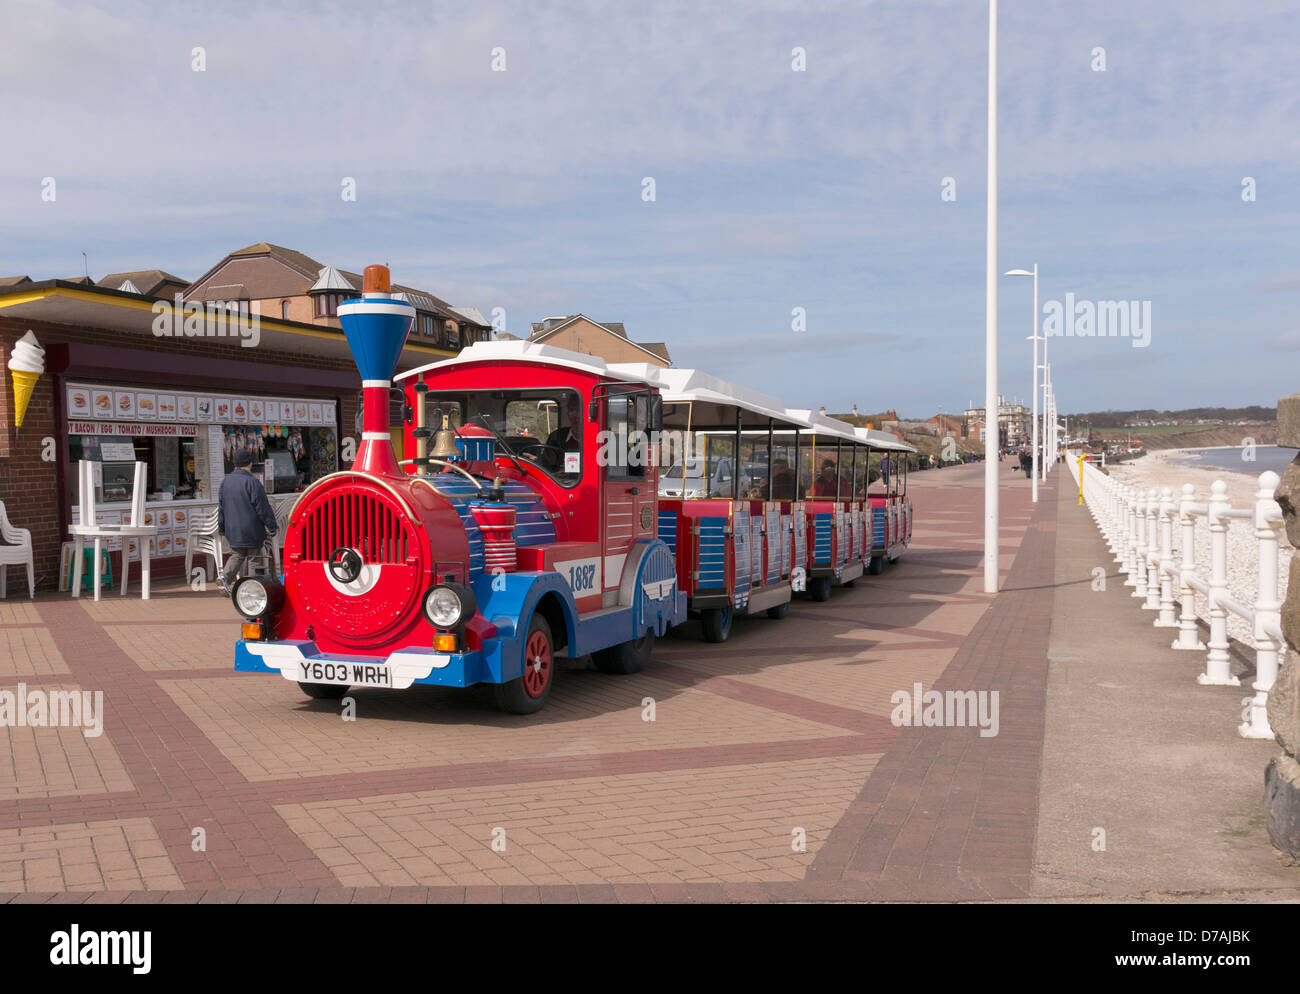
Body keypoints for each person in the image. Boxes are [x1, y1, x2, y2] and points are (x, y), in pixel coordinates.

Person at [218, 448, 277, 594]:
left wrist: (222, 527)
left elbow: (221, 507)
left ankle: (225, 578)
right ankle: (251, 590)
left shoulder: (225, 483)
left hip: (233, 530)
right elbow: (263, 508)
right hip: (252, 529)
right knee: (253, 558)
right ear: (250, 463)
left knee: (237, 555)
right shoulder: (252, 482)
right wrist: (272, 526)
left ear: (235, 464)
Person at [540, 393, 583, 472]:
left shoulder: (597, 439)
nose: (576, 415)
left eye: (580, 410)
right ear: (567, 414)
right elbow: (547, 465)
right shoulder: (556, 437)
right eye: (572, 410)